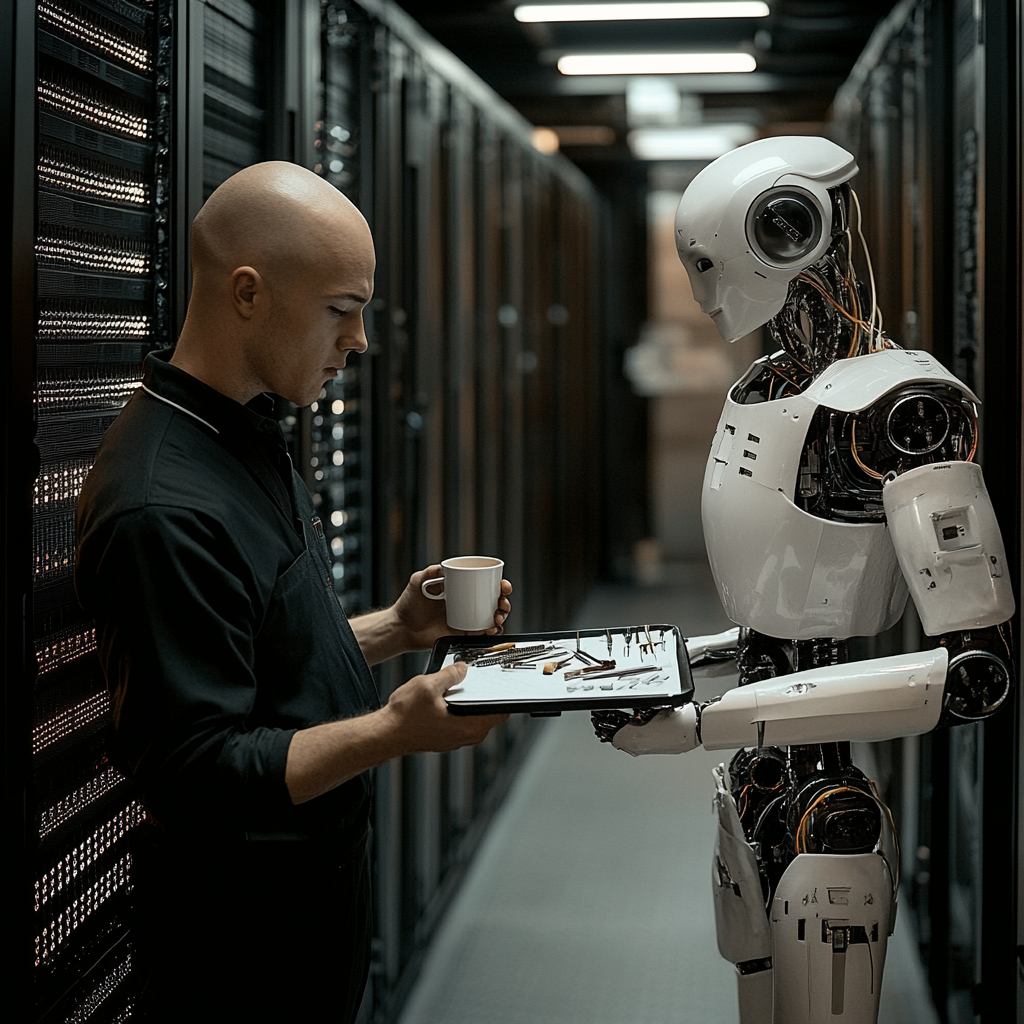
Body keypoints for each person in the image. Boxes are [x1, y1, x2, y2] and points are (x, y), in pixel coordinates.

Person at [75, 161, 511, 1023]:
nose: (359, 341)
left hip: (311, 898)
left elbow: (263, 658)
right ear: (247, 293)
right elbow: (196, 767)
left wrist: (394, 627)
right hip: (240, 947)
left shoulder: (245, 429)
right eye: (341, 311)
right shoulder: (163, 504)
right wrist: (394, 730)